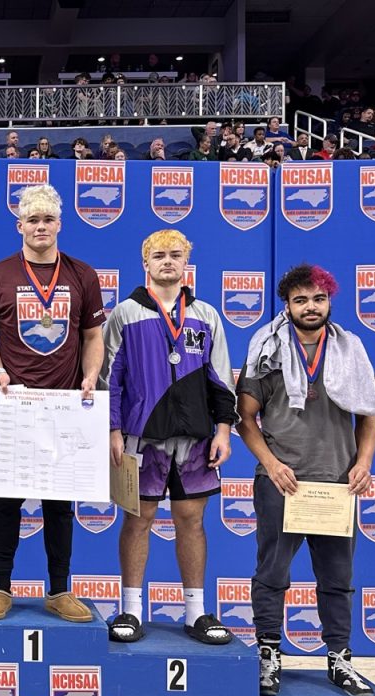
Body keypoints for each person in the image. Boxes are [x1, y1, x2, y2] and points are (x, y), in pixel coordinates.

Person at [236, 264, 375, 696]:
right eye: (301, 300)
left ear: (329, 301)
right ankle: (269, 654)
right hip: (282, 482)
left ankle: (339, 659)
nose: (311, 307)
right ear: (287, 305)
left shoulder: (351, 350)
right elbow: (245, 419)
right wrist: (271, 464)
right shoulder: (267, 349)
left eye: (318, 298)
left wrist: (364, 462)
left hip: (337, 482)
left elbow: (368, 415)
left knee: (337, 578)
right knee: (272, 574)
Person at [0, 185, 104, 624]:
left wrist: (90, 375)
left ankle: (60, 589)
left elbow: (93, 336)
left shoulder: (83, 275)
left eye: (48, 219)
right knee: (6, 501)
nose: (41, 227)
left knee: (59, 504)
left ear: (59, 224)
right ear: (20, 226)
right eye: (33, 220)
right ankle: (0, 586)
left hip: (65, 404)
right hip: (15, 404)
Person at [103, 229, 235, 644]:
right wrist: (113, 429)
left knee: (191, 521)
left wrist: (224, 430)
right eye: (158, 255)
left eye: (175, 255)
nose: (167, 261)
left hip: (195, 439)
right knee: (138, 520)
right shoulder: (124, 314)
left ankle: (195, 614)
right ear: (145, 263)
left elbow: (220, 378)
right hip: (141, 436)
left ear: (186, 262)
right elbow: (110, 379)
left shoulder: (206, 315)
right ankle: (130, 610)